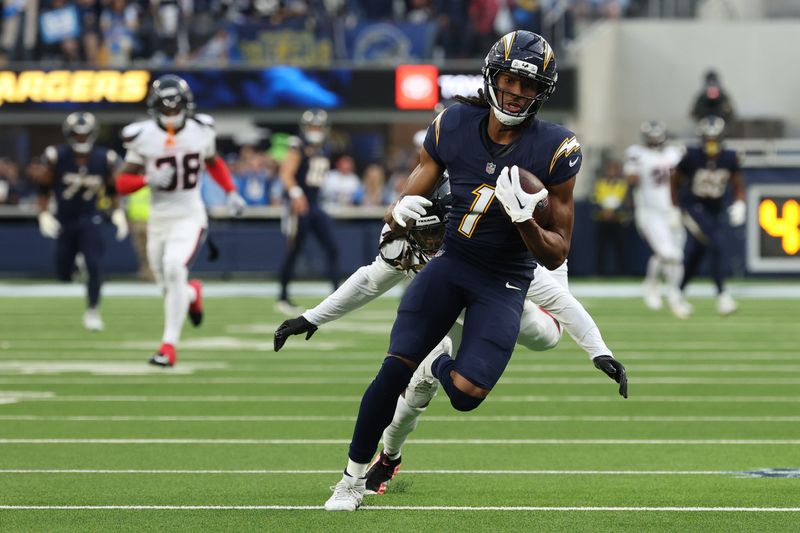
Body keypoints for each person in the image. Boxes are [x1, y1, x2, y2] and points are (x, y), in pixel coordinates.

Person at [300, 30, 627, 511]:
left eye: (529, 85)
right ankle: (350, 481)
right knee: (393, 372)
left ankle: (436, 366)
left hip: (507, 279)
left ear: (542, 93)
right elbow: (392, 229)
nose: (517, 92)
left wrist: (525, 222)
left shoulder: (555, 147)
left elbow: (556, 254)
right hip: (451, 265)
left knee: (469, 393)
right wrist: (399, 212)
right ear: (493, 77)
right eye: (510, 80)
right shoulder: (452, 125)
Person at [274, 181, 626, 495]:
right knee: (415, 389)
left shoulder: (485, 243)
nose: (431, 244)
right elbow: (368, 281)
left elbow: (559, 300)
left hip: (508, 304)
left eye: (438, 233)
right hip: (453, 311)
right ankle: (389, 457)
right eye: (424, 235)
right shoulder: (404, 243)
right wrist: (312, 317)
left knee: (546, 336)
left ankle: (436, 364)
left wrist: (599, 350)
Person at [115, 74, 246, 366]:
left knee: (174, 267)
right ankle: (191, 293)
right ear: (155, 107)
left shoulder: (201, 130)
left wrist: (230, 191)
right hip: (158, 219)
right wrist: (146, 179)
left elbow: (213, 162)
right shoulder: (144, 135)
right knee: (167, 286)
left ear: (186, 105)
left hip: (189, 216)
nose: (171, 112)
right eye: (165, 106)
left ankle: (168, 347)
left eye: (175, 106)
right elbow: (121, 182)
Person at [36, 111, 128, 331]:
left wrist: (118, 212)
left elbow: (113, 189)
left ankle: (93, 311)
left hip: (90, 216)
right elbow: (43, 187)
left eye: (85, 134)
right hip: (64, 218)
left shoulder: (105, 158)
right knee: (63, 272)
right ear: (69, 135)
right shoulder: (57, 156)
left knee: (94, 264)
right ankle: (76, 262)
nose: (81, 138)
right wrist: (43, 213)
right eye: (77, 134)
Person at [672, 115, 745, 316]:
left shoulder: (729, 157)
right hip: (693, 207)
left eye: (715, 138)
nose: (711, 142)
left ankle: (678, 292)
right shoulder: (692, 156)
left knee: (699, 252)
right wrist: (674, 207)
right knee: (716, 243)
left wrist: (740, 203)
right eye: (708, 138)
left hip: (714, 210)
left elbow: (737, 183)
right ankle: (722, 296)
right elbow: (674, 181)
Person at [275, 108, 340, 315]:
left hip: (315, 204)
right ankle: (283, 297)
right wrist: (296, 194)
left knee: (332, 247)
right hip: (298, 205)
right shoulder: (298, 145)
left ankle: (337, 297)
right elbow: (286, 174)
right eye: (312, 126)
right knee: (294, 250)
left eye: (318, 126)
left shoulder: (325, 147)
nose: (315, 130)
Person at [624, 121, 687, 317]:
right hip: (649, 212)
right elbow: (631, 179)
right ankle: (651, 285)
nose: (655, 141)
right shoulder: (637, 154)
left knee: (677, 256)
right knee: (667, 254)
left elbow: (684, 179)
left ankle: (675, 296)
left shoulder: (674, 153)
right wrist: (638, 167)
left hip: (672, 210)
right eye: (651, 138)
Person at [592, 158, 630, 276]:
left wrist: (614, 212)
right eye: (610, 169)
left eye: (614, 169)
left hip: (618, 220)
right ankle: (599, 272)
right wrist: (604, 212)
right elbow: (595, 199)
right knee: (601, 247)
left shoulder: (623, 184)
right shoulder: (600, 183)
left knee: (620, 247)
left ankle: (623, 272)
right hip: (602, 219)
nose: (612, 171)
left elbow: (626, 201)